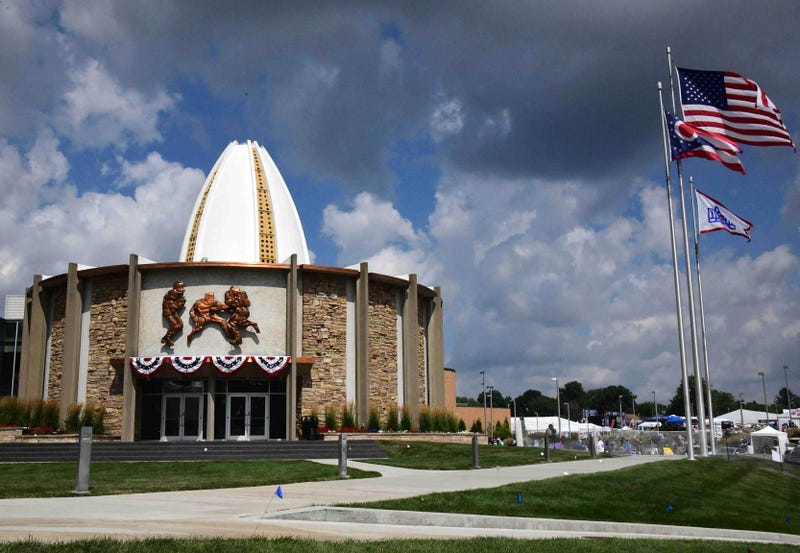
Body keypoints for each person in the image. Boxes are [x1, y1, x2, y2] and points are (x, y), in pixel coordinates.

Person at [160, 280, 186, 347]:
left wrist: (180, 302)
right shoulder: (171, 296)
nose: (179, 294)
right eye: (179, 293)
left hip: (173, 312)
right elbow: (175, 307)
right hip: (169, 313)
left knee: (180, 325)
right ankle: (167, 337)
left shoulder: (172, 296)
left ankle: (165, 338)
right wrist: (181, 303)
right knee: (176, 325)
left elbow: (175, 306)